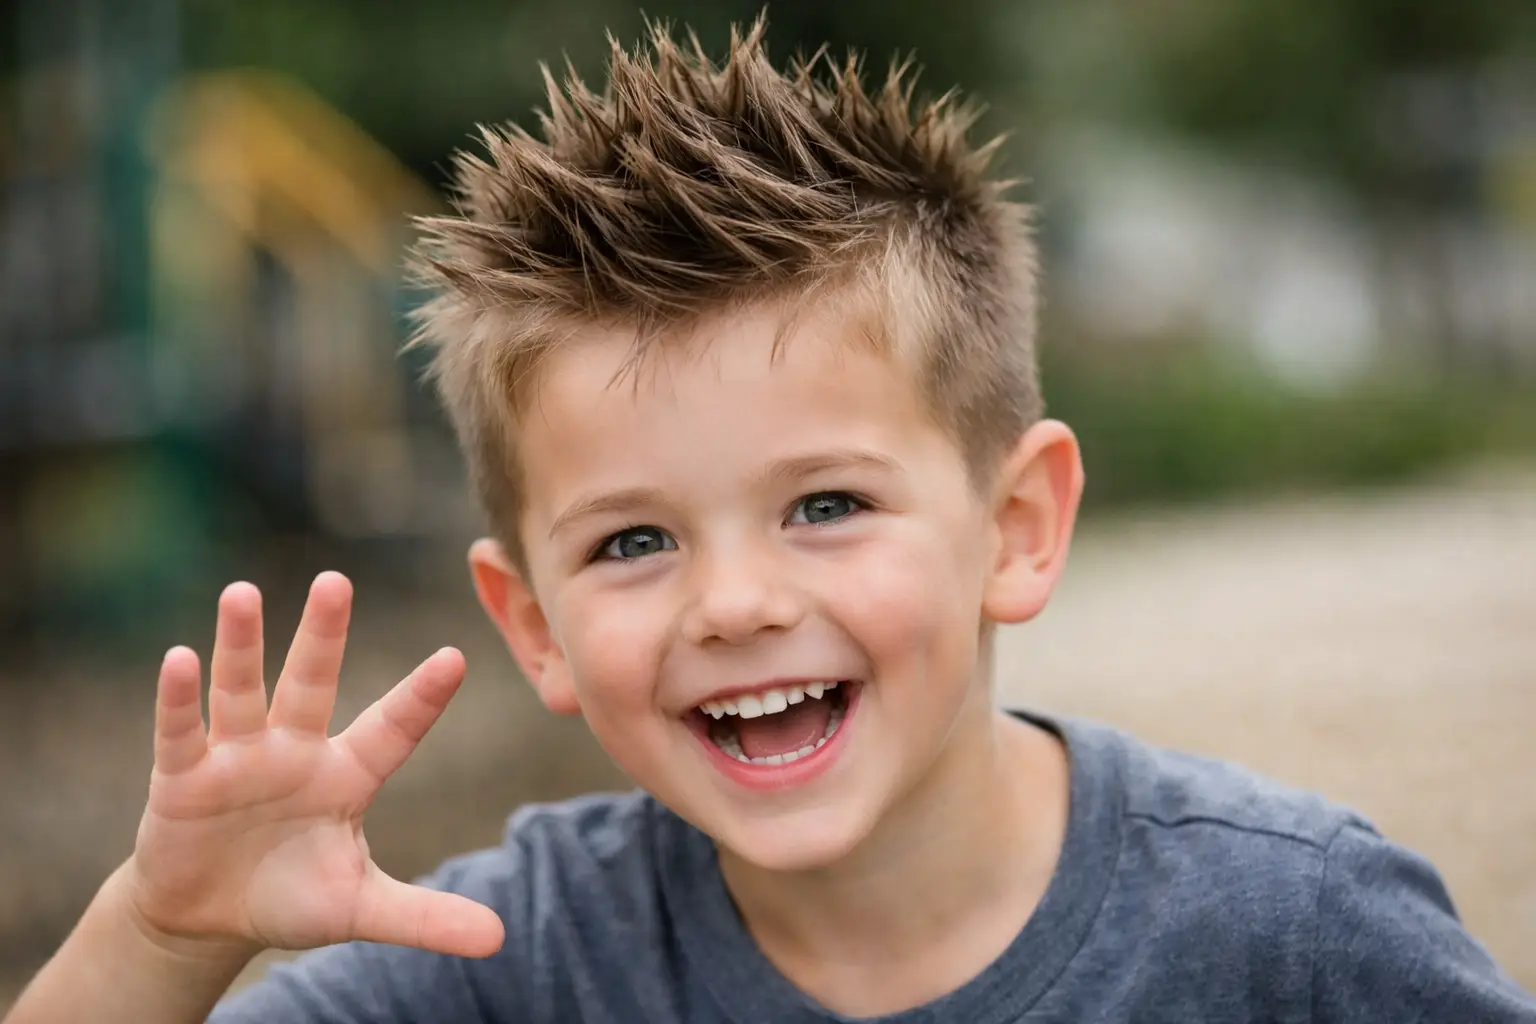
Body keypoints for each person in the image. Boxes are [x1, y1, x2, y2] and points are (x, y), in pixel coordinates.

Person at [8, 15, 1535, 1024]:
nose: (734, 601)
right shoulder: (507, 962)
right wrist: (166, 930)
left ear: (1017, 525)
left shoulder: (1292, 931)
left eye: (824, 505)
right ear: (530, 618)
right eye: (632, 540)